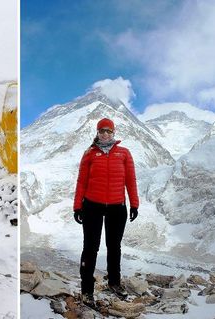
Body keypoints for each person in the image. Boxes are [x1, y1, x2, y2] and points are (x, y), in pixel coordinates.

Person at [73, 118, 139, 304]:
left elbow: (130, 181)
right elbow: (81, 181)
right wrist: (77, 206)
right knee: (90, 248)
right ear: (97, 132)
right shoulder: (90, 154)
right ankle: (87, 290)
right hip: (92, 205)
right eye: (102, 130)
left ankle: (114, 282)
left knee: (114, 247)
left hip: (117, 207)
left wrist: (134, 204)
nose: (105, 133)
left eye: (109, 131)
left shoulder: (124, 153)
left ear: (114, 133)